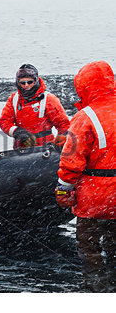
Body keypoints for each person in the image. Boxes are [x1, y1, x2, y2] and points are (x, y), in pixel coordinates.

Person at [55, 60, 115, 292]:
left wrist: (62, 190)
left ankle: (96, 288)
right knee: (114, 243)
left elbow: (72, 160)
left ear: (85, 86)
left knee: (89, 246)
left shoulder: (85, 116)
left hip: (95, 196)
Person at [0, 64, 70, 149]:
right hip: (21, 148)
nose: (26, 85)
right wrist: (17, 132)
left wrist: (62, 139)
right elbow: (4, 121)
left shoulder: (49, 99)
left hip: (45, 148)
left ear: (35, 81)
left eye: (30, 82)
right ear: (18, 82)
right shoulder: (14, 99)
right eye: (22, 83)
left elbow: (63, 125)